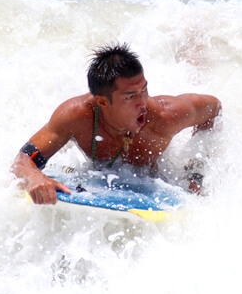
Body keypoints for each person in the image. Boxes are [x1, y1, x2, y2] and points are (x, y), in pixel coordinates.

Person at [12, 42, 221, 204]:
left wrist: (194, 174)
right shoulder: (76, 117)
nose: (142, 103)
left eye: (144, 90)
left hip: (154, 180)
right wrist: (35, 177)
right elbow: (22, 160)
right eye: (130, 97)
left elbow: (214, 109)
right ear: (102, 102)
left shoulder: (166, 116)